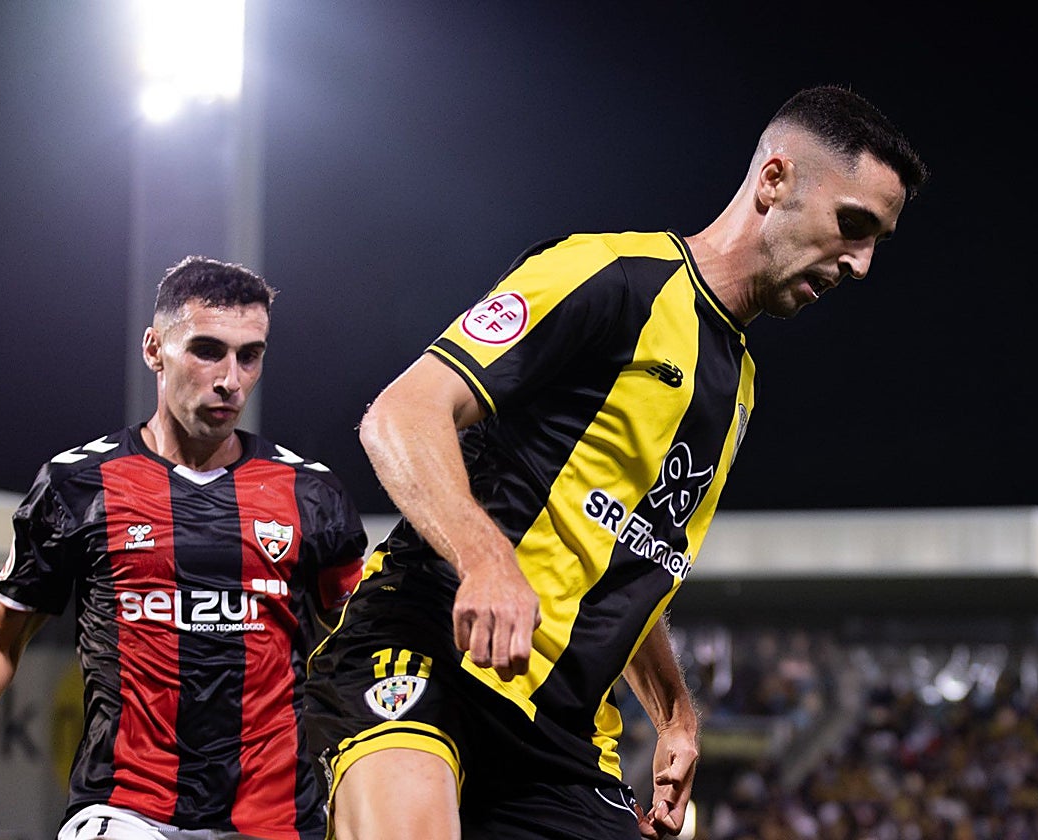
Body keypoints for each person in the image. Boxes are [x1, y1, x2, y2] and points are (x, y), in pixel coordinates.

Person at [305, 84, 928, 840]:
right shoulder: (610, 275)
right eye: (852, 225)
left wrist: (673, 709)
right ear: (775, 181)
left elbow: (633, 558)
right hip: (427, 647)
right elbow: (403, 413)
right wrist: (485, 559)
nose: (860, 264)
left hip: (562, 734)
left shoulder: (739, 388)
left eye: (876, 243)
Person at [0, 257, 369, 840]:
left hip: (275, 816)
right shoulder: (78, 484)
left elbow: (357, 647)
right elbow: (0, 631)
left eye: (249, 355)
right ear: (154, 349)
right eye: (207, 350)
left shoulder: (312, 494)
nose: (230, 377)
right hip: (125, 808)